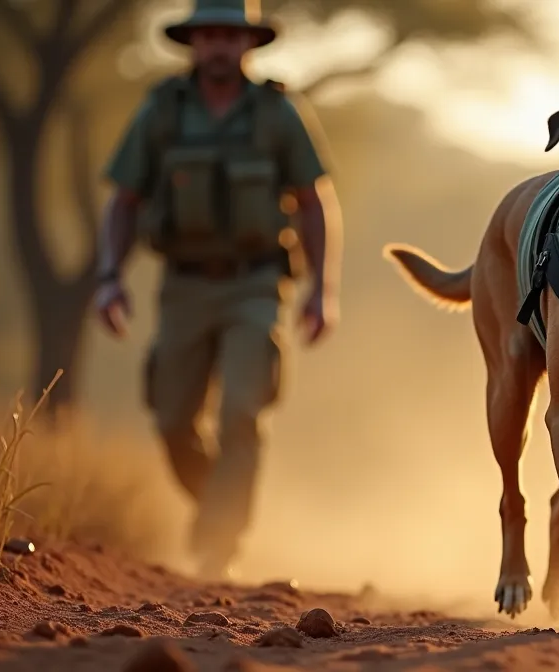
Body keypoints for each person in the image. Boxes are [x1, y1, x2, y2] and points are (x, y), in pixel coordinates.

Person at [92, 0, 341, 580]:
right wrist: (109, 278)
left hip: (256, 285)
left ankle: (217, 545)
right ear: (193, 42)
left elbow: (313, 201)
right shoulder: (162, 109)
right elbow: (123, 201)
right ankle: (216, 507)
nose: (220, 46)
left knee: (240, 414)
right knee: (173, 420)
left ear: (249, 42)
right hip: (183, 286)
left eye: (231, 34)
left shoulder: (278, 111)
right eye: (209, 35)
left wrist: (321, 290)